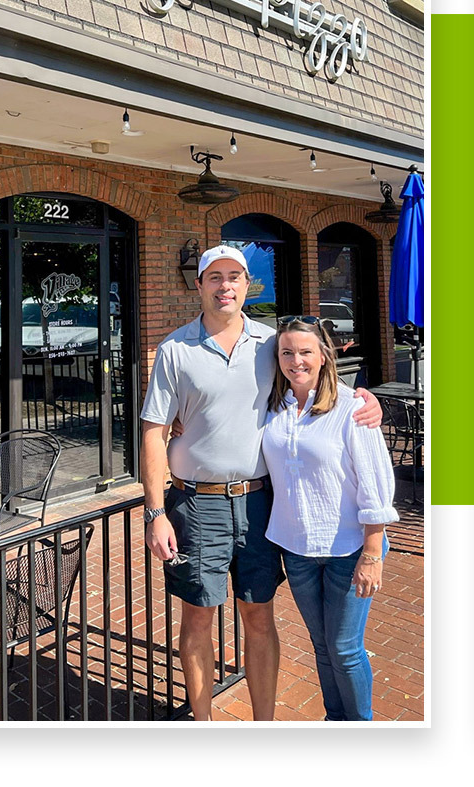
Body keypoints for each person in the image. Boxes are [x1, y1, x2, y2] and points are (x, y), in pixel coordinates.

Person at [140, 244, 383, 720]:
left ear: (249, 285)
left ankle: (264, 727)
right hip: (195, 504)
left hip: (258, 503)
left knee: (259, 615)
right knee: (197, 618)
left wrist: (364, 401)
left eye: (235, 276)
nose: (225, 285)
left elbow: (311, 375)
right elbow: (153, 432)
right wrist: (154, 513)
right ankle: (205, 723)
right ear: (199, 284)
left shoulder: (271, 343)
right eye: (215, 276)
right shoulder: (175, 349)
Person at [261, 316, 399, 721]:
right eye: (287, 352)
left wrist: (373, 552)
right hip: (297, 548)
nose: (295, 361)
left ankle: (360, 727)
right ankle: (335, 720)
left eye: (305, 352)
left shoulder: (352, 407)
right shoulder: (274, 407)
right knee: (321, 644)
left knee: (344, 647)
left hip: (349, 547)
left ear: (324, 355)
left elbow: (376, 482)